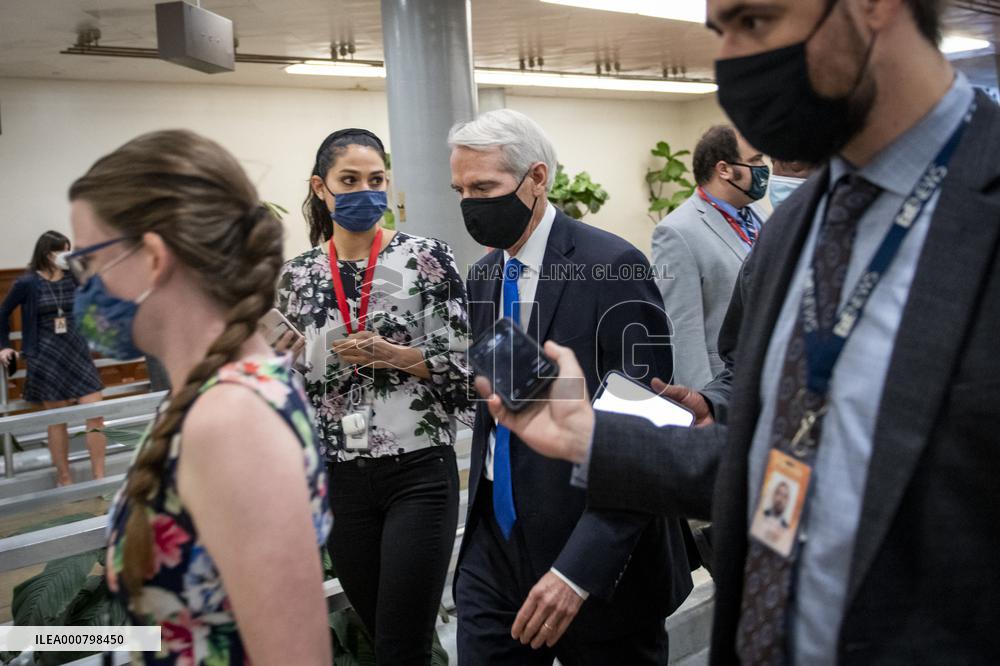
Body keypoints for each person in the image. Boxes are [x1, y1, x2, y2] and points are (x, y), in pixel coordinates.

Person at [476, 0, 1000, 662]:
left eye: (755, 21)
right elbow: (787, 460)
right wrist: (596, 437)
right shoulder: (793, 228)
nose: (729, 62)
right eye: (720, 31)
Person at [69, 129, 332, 664]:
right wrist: (29, 641)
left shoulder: (232, 418)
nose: (84, 287)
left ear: (152, 257)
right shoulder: (214, 395)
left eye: (89, 263)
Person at [449, 108, 692, 665]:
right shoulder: (484, 276)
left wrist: (578, 570)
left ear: (537, 179)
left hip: (594, 555)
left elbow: (645, 435)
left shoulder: (615, 267)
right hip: (495, 547)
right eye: (460, 189)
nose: (470, 204)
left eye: (484, 187)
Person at [275, 128, 472, 665]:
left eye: (376, 179)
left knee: (401, 643)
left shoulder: (426, 258)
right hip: (340, 477)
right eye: (349, 180)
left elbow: (464, 367)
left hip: (418, 471)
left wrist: (394, 355)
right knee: (379, 632)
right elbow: (290, 382)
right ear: (321, 188)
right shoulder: (297, 278)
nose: (366, 190)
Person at [652, 125, 769, 389]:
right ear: (724, 170)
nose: (764, 167)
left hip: (769, 372)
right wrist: (705, 401)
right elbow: (682, 329)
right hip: (726, 382)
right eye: (755, 161)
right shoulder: (676, 231)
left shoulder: (761, 215)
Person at [0, 231, 107, 485]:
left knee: (96, 412)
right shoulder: (28, 283)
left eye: (67, 250)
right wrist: (4, 346)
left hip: (77, 350)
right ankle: (64, 477)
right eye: (60, 251)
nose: (64, 256)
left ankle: (99, 477)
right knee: (57, 420)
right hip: (46, 355)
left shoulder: (74, 278)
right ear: (46, 253)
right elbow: (2, 313)